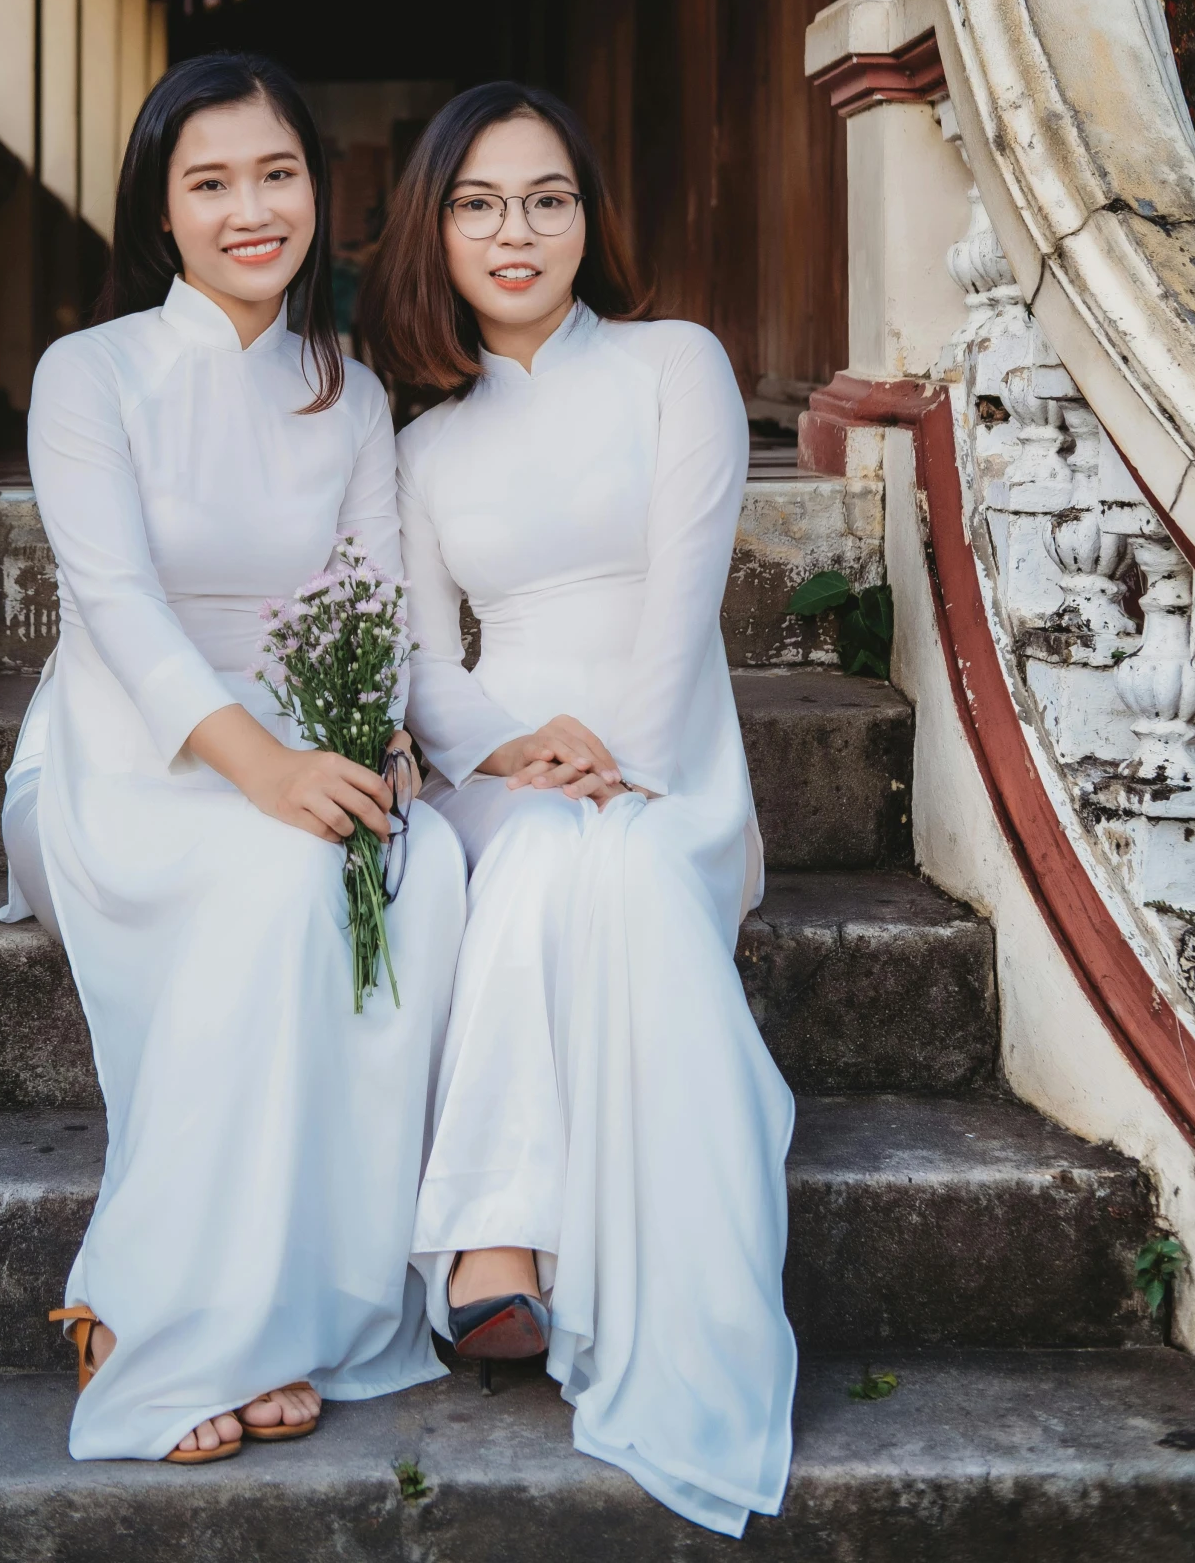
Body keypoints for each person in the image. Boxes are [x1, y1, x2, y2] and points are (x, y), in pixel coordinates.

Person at [0, 53, 466, 1466]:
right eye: (211, 182)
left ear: (319, 193)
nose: (250, 208)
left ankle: (282, 1315)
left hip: (301, 728)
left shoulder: (352, 391)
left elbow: (376, 598)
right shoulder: (90, 374)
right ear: (162, 210)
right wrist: (258, 767)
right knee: (277, 881)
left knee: (420, 861)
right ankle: (141, 1316)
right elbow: (117, 609)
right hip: (125, 746)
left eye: (277, 174)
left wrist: (371, 734)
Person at [357, 82, 795, 1536]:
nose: (516, 230)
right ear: (434, 231)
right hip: (507, 763)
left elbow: (684, 596)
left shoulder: (677, 364)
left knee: (591, 859)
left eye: (547, 197)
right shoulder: (421, 445)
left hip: (666, 747)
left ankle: (494, 1241)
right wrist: (509, 748)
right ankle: (496, 1244)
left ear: (588, 217)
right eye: (477, 203)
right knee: (539, 848)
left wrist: (618, 752)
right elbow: (424, 661)